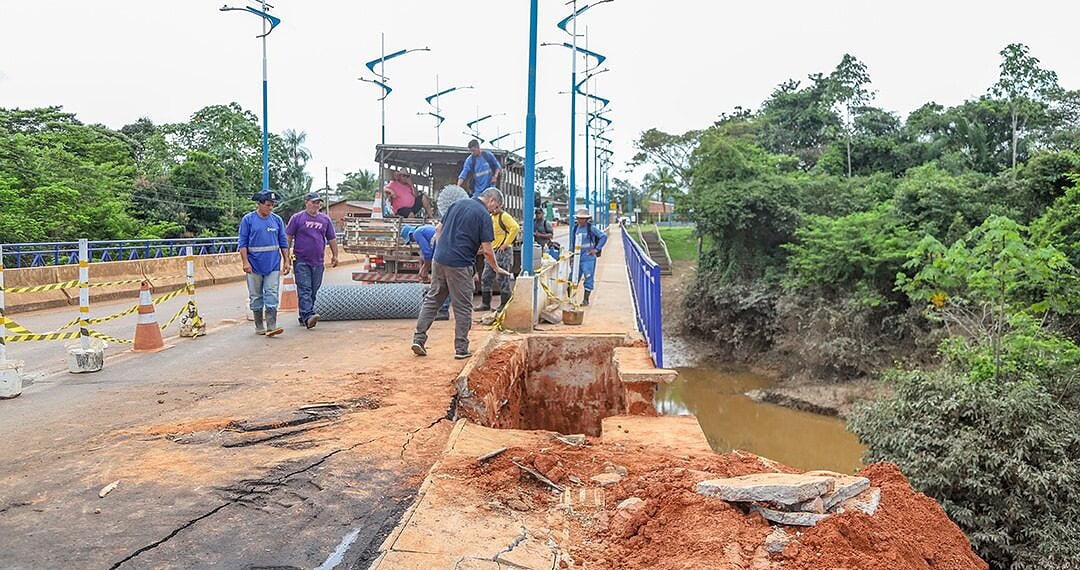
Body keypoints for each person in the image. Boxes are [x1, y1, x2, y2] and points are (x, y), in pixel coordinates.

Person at [412, 188, 511, 360]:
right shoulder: (483, 215)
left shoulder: (456, 204)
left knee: (433, 299)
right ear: (492, 200)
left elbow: (438, 229)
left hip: (439, 260)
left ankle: (418, 339)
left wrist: (442, 250)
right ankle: (461, 348)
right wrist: (496, 268)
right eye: (496, 207)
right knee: (463, 306)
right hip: (460, 264)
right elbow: (488, 250)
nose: (494, 211)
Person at [238, 191, 291, 336]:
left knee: (272, 293)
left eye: (272, 205)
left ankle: (271, 325)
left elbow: (283, 242)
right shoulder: (248, 220)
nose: (270, 208)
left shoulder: (277, 220)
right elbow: (242, 243)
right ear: (259, 204)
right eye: (268, 205)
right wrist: (245, 262)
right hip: (254, 265)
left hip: (273, 264)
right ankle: (259, 325)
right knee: (255, 296)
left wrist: (287, 260)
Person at [286, 191, 339, 329]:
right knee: (305, 288)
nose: (316, 205)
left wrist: (335, 255)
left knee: (314, 290)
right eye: (313, 202)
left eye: (318, 203)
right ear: (306, 202)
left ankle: (303, 316)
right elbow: (288, 237)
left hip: (318, 261)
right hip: (301, 260)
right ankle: (309, 315)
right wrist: (286, 257)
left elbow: (331, 238)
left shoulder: (325, 220)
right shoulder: (297, 218)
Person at [479, 198, 520, 311]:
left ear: (500, 205)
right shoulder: (491, 218)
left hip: (503, 252)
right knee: (486, 277)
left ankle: (504, 304)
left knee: (503, 278)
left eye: (496, 206)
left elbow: (515, 228)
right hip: (492, 251)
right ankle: (485, 303)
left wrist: (505, 244)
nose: (494, 209)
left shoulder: (504, 216)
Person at [573, 209, 607, 306]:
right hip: (577, 257)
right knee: (573, 277)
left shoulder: (591, 228)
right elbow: (572, 242)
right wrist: (572, 255)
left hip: (588, 257)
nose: (580, 221)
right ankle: (571, 299)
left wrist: (596, 249)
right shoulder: (575, 228)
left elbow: (603, 236)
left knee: (588, 277)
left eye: (582, 219)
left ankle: (585, 300)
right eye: (579, 218)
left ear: (586, 219)